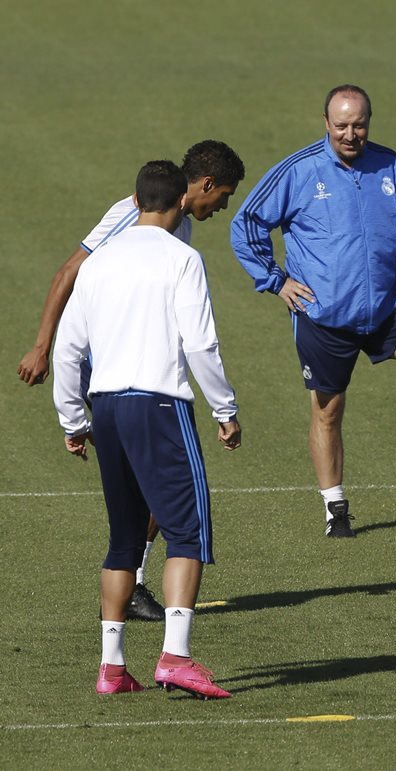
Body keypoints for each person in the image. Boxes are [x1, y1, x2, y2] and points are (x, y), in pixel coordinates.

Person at [230, 84, 396, 538]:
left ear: (369, 122)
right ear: (325, 124)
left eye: (358, 125)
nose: (350, 134)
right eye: (341, 126)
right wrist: (276, 281)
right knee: (328, 412)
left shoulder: (391, 164)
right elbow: (247, 224)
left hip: (387, 310)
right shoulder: (298, 171)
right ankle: (336, 508)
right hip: (325, 318)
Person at [18, 140, 244, 620]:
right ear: (202, 185)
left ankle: (123, 614)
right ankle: (138, 592)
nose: (221, 207)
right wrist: (42, 344)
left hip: (122, 370)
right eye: (221, 196)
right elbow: (72, 272)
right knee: (157, 485)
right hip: (115, 368)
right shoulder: (139, 215)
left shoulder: (179, 224)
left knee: (155, 489)